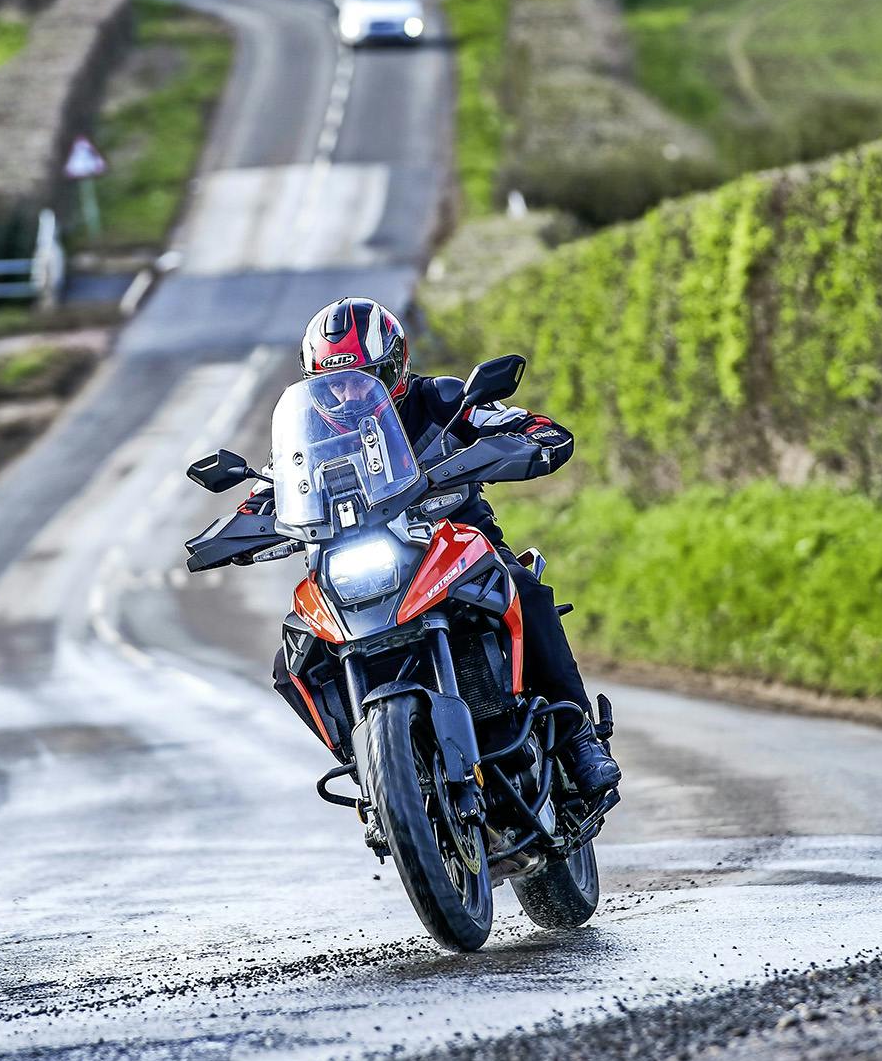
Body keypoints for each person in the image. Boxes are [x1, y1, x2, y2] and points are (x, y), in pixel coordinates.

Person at [258, 296, 621, 801]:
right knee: (292, 659)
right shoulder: (311, 436)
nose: (347, 391)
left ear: (396, 366)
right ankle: (378, 770)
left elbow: (525, 425)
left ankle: (579, 738)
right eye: (333, 382)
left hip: (455, 547)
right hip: (363, 567)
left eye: (365, 376)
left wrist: (531, 438)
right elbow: (271, 491)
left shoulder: (442, 401)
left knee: (524, 590)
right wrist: (235, 528)